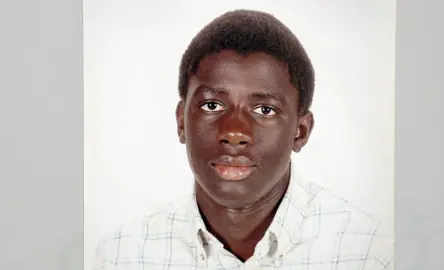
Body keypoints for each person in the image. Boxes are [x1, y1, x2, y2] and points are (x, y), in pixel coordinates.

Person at [94, 9, 394, 270]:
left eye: (265, 109)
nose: (234, 132)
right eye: (212, 105)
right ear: (181, 121)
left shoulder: (374, 255)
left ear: (300, 132)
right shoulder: (122, 256)